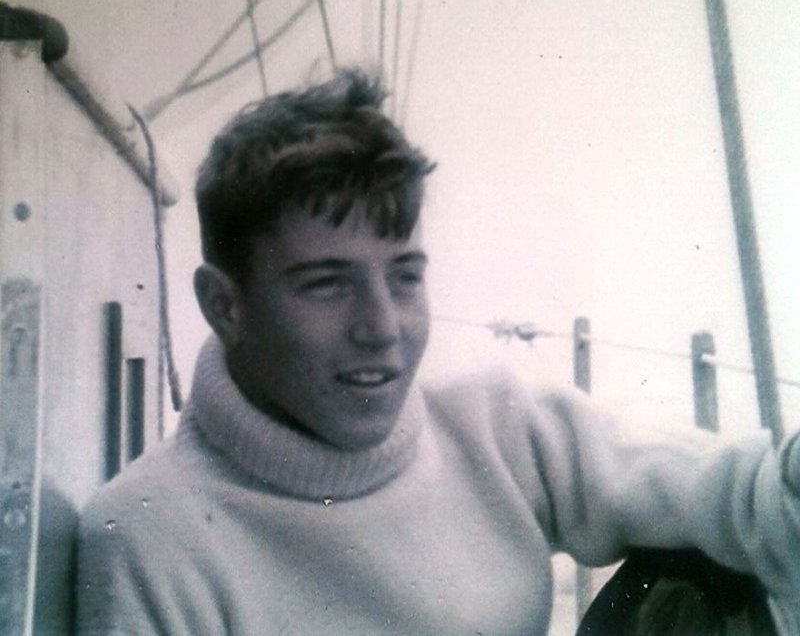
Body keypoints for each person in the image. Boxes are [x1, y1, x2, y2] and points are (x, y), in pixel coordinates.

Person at [76, 69, 800, 635]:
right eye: (327, 285)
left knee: (700, 583)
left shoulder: (497, 428)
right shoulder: (150, 537)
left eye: (405, 275)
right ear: (224, 306)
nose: (383, 325)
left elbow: (755, 502)